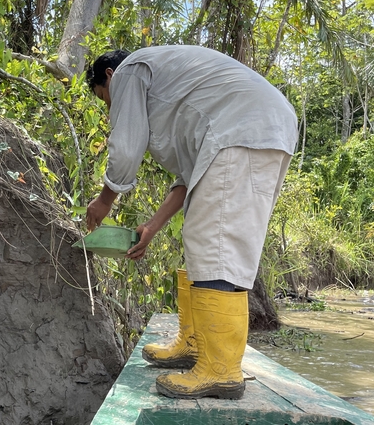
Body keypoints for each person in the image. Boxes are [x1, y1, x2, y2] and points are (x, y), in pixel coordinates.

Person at [85, 46, 298, 400]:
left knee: (218, 244)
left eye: (103, 98)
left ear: (108, 76)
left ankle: (221, 370)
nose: (109, 107)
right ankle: (196, 344)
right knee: (205, 237)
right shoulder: (176, 91)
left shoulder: (130, 71)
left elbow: (126, 146)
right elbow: (187, 179)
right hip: (256, 128)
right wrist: (152, 227)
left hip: (242, 129)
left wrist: (105, 199)